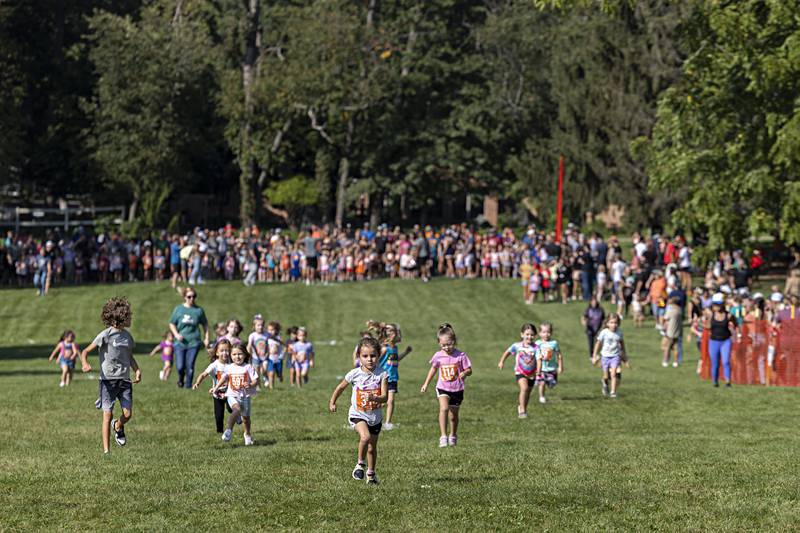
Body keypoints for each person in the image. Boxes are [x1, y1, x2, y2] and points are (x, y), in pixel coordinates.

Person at [79, 297, 141, 454]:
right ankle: (107, 451)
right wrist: (84, 363)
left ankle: (118, 425)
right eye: (128, 316)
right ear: (120, 318)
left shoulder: (128, 337)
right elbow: (85, 351)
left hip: (124, 380)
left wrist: (137, 370)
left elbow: (130, 356)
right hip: (107, 381)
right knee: (108, 414)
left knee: (128, 414)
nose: (131, 318)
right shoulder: (105, 335)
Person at [329, 336, 388, 485]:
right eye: (365, 356)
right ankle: (360, 464)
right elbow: (340, 387)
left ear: (378, 356)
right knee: (365, 437)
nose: (369, 359)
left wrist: (375, 398)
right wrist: (332, 402)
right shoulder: (354, 373)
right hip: (357, 414)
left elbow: (385, 397)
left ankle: (371, 474)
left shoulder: (382, 374)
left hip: (375, 417)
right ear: (359, 356)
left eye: (373, 356)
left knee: (372, 448)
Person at [420, 323, 472, 448]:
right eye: (443, 345)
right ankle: (443, 436)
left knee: (453, 416)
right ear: (439, 343)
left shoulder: (461, 355)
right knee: (444, 408)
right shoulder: (438, 356)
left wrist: (465, 372)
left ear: (454, 341)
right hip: (442, 388)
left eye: (449, 344)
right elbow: (433, 370)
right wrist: (426, 384)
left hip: (457, 389)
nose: (447, 347)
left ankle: (453, 435)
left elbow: (469, 370)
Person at [211, 344, 258, 445]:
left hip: (245, 396)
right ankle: (228, 431)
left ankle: (247, 434)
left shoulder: (248, 367)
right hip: (232, 395)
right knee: (236, 409)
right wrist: (216, 388)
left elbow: (255, 381)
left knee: (245, 419)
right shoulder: (229, 367)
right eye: (234, 354)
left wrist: (249, 384)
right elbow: (223, 378)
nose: (237, 356)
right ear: (231, 356)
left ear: (245, 355)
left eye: (240, 354)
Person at [168, 287, 209, 389]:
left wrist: (206, 338)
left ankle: (189, 386)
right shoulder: (178, 309)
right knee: (180, 366)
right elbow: (172, 323)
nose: (192, 299)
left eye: (194, 296)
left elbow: (205, 324)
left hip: (194, 342)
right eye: (189, 297)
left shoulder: (199, 310)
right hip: (180, 342)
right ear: (184, 297)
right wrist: (176, 334)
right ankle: (181, 379)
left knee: (190, 365)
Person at [497, 323, 537, 418]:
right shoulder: (517, 346)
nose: (529, 337)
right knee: (524, 388)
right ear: (522, 334)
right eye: (527, 334)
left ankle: (523, 408)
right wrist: (501, 361)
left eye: (531, 335)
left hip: (532, 374)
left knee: (528, 392)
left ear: (535, 335)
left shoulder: (536, 347)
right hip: (520, 372)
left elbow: (539, 359)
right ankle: (522, 411)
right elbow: (508, 352)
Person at [193, 338, 232, 434]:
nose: (225, 353)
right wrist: (197, 383)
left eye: (227, 350)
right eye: (222, 351)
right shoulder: (214, 365)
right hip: (217, 393)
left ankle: (237, 416)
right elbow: (203, 374)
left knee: (232, 407)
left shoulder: (232, 364)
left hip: (230, 392)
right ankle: (219, 431)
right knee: (219, 415)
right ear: (217, 353)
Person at [378, 323, 412, 430]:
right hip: (383, 378)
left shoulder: (395, 348)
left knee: (391, 400)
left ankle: (388, 423)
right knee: (380, 401)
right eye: (391, 331)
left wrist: (406, 353)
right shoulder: (384, 349)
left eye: (394, 331)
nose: (394, 334)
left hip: (393, 378)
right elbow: (376, 362)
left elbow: (396, 360)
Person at [592, 314, 629, 398]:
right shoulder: (604, 332)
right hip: (605, 356)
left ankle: (613, 392)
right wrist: (594, 355)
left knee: (613, 374)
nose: (613, 325)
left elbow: (622, 343)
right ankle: (605, 384)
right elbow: (598, 344)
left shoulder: (619, 332)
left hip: (615, 356)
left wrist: (624, 353)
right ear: (607, 323)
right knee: (606, 376)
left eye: (615, 323)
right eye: (611, 322)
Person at [706, 293, 737, 387]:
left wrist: (734, 332)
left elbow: (735, 324)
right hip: (714, 341)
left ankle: (728, 382)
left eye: (719, 304)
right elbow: (708, 326)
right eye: (715, 304)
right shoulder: (711, 315)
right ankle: (715, 382)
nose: (717, 306)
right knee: (715, 363)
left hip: (725, 341)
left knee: (726, 361)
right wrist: (698, 323)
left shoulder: (729, 315)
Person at [534, 323, 563, 404]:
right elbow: (534, 355)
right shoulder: (537, 343)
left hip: (552, 368)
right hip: (542, 368)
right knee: (542, 383)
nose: (546, 334)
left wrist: (560, 366)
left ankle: (549, 382)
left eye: (548, 332)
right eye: (543, 332)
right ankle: (542, 396)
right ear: (539, 333)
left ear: (551, 332)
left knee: (552, 385)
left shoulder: (554, 343)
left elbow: (559, 355)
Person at [246, 314, 269, 385]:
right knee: (257, 373)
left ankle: (265, 376)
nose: (260, 327)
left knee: (264, 369)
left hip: (265, 356)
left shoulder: (266, 334)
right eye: (258, 325)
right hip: (255, 357)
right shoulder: (252, 335)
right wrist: (248, 353)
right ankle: (258, 386)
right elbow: (249, 345)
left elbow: (270, 343)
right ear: (254, 326)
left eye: (262, 325)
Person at [662, 297, 683, 367]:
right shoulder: (680, 310)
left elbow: (664, 318)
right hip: (677, 332)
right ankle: (675, 362)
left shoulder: (671, 311)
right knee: (675, 348)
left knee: (667, 347)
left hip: (670, 332)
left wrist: (663, 326)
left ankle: (665, 361)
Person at [265, 321, 284, 388]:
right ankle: (271, 387)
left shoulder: (279, 338)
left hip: (278, 358)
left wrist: (281, 356)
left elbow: (282, 347)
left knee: (278, 373)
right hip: (270, 358)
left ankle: (280, 376)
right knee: (271, 373)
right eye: (269, 330)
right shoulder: (267, 338)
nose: (270, 331)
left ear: (276, 330)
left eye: (272, 330)